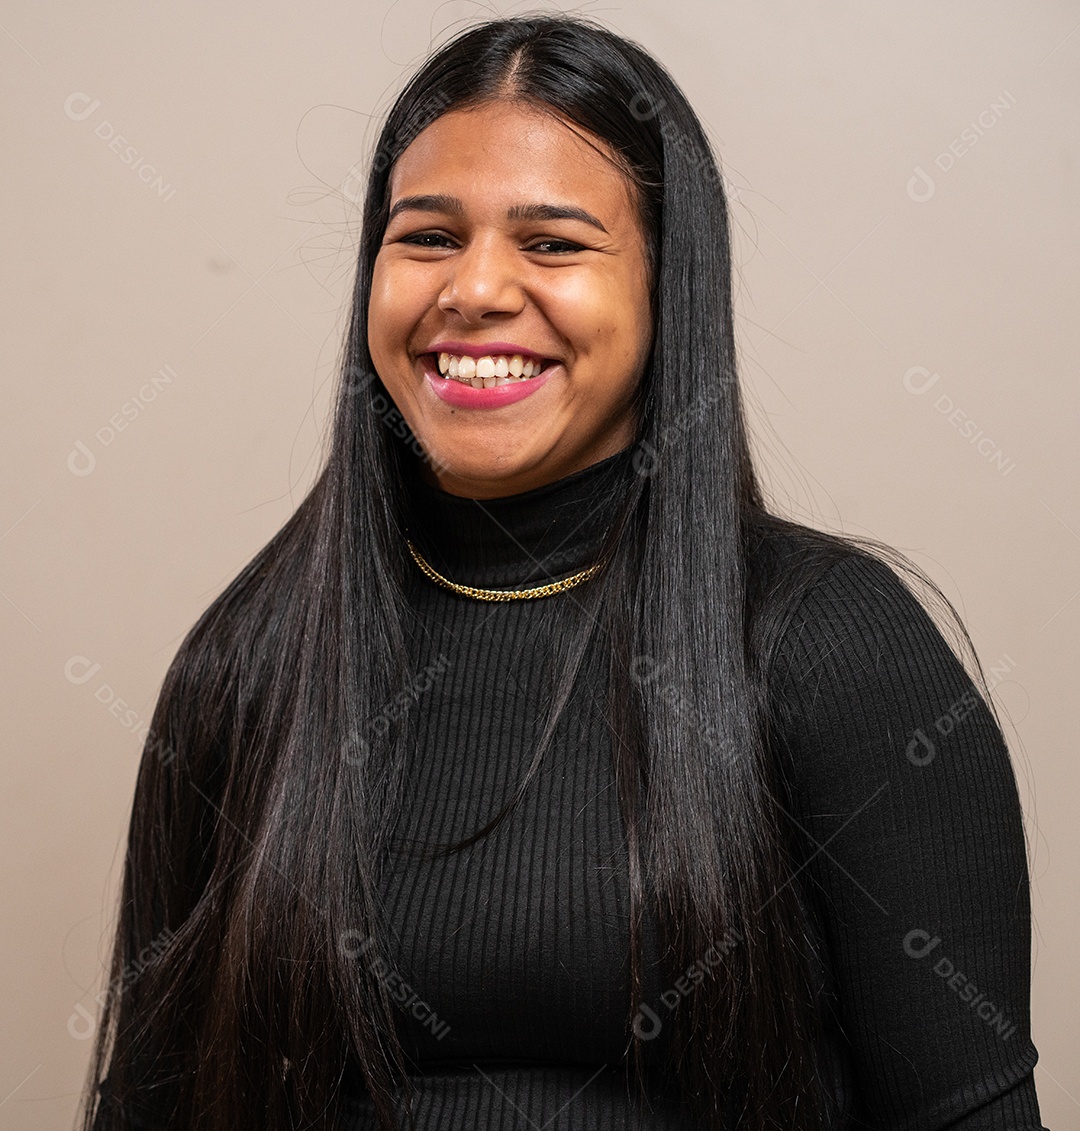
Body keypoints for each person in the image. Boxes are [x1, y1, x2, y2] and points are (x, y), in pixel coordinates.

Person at [79, 13, 1048, 1131]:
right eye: (428, 238)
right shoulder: (248, 661)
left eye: (554, 244)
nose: (477, 289)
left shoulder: (835, 649)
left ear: (663, 290)